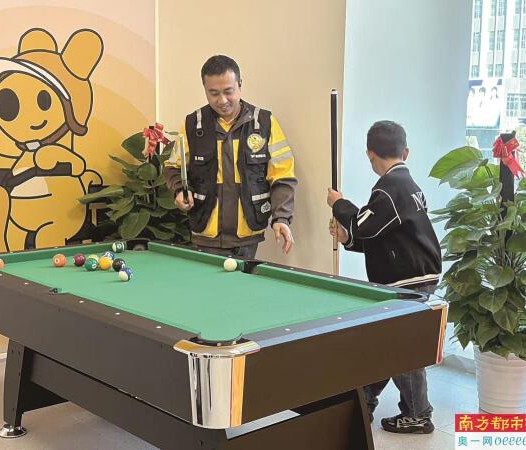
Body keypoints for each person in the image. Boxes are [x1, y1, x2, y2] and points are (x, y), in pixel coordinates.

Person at [327, 120, 442, 434]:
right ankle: (365, 400)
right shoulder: (407, 184)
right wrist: (347, 239)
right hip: (417, 275)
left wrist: (338, 204)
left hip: (408, 280)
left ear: (370, 155)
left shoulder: (390, 188)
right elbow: (383, 236)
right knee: (385, 341)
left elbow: (363, 224)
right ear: (406, 152)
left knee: (399, 347)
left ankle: (417, 414)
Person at [164, 55, 296, 259]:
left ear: (240, 85)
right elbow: (173, 167)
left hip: (248, 235)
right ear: (205, 89)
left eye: (228, 91)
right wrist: (180, 191)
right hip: (205, 233)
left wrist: (281, 218)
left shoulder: (264, 123)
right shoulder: (193, 124)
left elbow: (283, 176)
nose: (222, 100)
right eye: (214, 93)